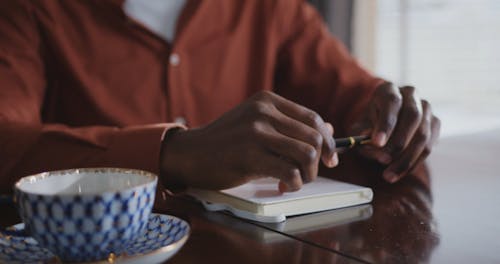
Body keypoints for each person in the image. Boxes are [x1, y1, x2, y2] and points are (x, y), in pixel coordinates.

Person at [0, 0, 440, 194]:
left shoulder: (268, 8)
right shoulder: (29, 10)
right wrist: (175, 153)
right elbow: (7, 142)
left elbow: (353, 96)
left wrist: (391, 115)